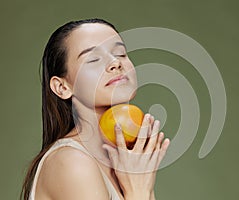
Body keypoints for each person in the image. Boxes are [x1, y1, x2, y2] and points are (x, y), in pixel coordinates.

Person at [21, 18, 170, 200]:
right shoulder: (72, 162)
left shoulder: (130, 166)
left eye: (121, 53)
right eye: (93, 59)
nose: (116, 63)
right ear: (62, 87)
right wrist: (139, 192)